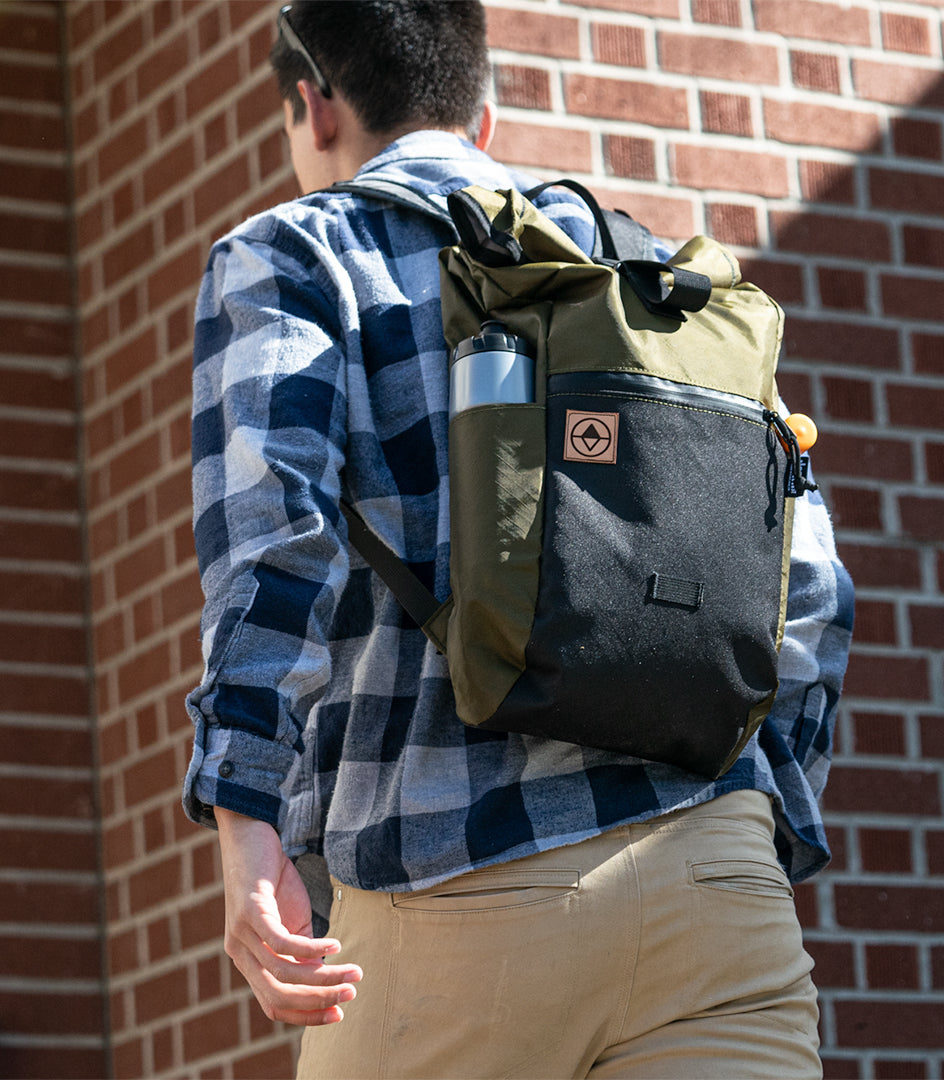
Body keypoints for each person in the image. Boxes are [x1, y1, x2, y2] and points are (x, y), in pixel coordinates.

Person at [182, 3, 854, 1076]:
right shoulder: (649, 273)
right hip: (717, 892)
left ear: (312, 103)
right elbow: (805, 585)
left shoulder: (299, 255)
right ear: (482, 116)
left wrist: (246, 821)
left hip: (450, 891)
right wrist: (762, 824)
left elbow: (273, 542)